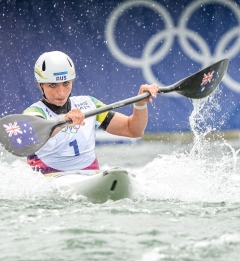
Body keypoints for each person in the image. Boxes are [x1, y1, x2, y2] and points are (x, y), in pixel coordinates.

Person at [23, 51, 158, 174]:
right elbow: (27, 140)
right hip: (48, 177)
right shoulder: (34, 113)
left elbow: (133, 130)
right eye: (52, 85)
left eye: (66, 83)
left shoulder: (88, 104)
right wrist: (63, 121)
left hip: (89, 177)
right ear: (40, 84)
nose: (61, 92)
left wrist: (140, 104)